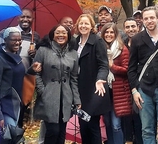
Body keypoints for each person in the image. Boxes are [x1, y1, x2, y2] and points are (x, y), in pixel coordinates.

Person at [128, 6, 158, 144]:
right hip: (144, 88)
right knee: (147, 129)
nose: (149, 21)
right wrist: (134, 90)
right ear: (142, 21)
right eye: (146, 18)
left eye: (152, 17)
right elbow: (131, 68)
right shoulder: (137, 39)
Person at [0, 8, 41, 126]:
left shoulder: (35, 37)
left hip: (21, 90)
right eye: (22, 16)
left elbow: (28, 67)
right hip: (6, 94)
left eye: (28, 17)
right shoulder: (4, 35)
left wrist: (34, 60)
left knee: (17, 126)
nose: (25, 19)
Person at [33, 24, 80, 144]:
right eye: (58, 32)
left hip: (66, 97)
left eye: (64, 33)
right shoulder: (43, 51)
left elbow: (74, 78)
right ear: (53, 35)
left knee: (62, 131)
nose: (61, 35)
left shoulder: (73, 53)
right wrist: (42, 90)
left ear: (68, 35)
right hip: (48, 96)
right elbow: (35, 73)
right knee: (53, 130)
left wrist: (76, 99)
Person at [74, 13, 111, 144]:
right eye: (81, 23)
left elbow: (103, 64)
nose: (83, 26)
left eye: (86, 23)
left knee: (92, 125)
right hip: (79, 89)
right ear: (78, 25)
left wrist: (100, 79)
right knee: (82, 125)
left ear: (91, 26)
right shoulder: (75, 42)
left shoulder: (97, 41)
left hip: (94, 88)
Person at [101, 23, 132, 144]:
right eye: (106, 32)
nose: (109, 35)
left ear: (115, 34)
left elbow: (127, 70)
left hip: (118, 92)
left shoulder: (121, 48)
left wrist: (112, 66)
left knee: (116, 125)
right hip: (104, 91)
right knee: (107, 123)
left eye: (111, 32)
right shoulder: (100, 48)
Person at [121, 18, 143, 144]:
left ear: (138, 27)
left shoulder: (143, 42)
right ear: (124, 29)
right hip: (124, 87)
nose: (131, 29)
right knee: (127, 120)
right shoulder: (121, 45)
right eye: (128, 27)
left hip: (140, 85)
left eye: (133, 26)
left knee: (139, 120)